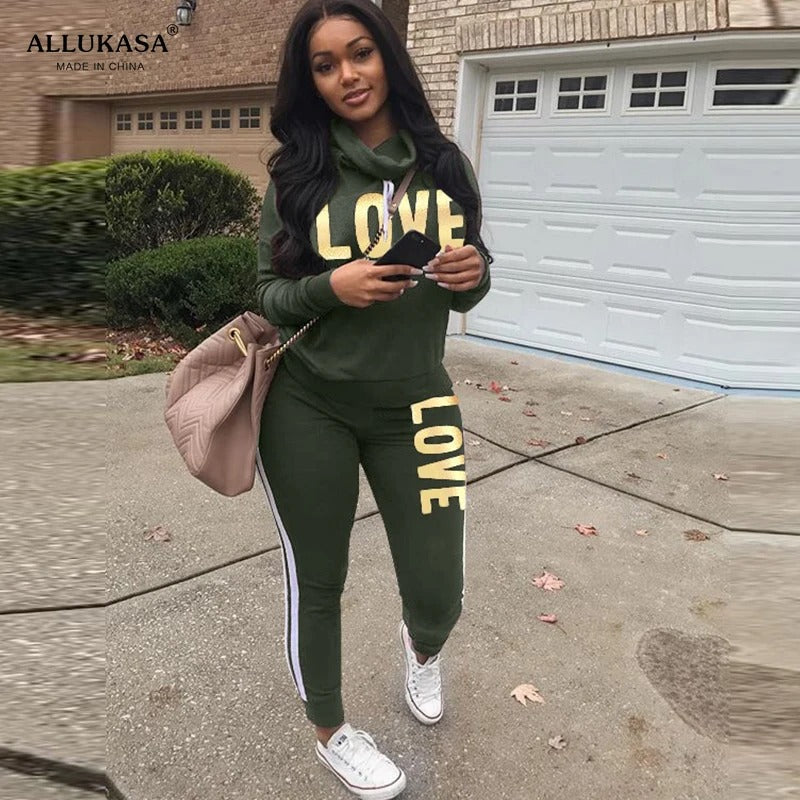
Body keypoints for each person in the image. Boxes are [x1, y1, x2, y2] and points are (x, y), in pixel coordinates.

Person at [254, 0, 492, 796]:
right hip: (309, 407)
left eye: (360, 53)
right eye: (325, 65)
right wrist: (333, 286)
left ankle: (423, 648)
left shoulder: (447, 166)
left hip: (419, 404)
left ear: (388, 55)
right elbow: (267, 294)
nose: (348, 75)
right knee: (317, 580)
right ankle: (331, 731)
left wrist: (473, 274)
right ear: (311, 82)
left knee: (439, 587)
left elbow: (468, 284)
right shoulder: (298, 174)